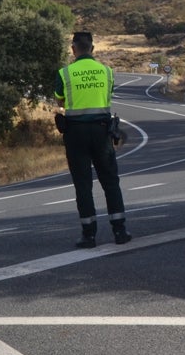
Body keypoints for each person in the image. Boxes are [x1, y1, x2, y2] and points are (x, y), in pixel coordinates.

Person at [54, 31, 131, 248]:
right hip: (102, 132)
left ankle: (89, 235)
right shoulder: (107, 72)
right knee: (110, 181)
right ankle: (120, 231)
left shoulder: (65, 73)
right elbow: (108, 95)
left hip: (75, 134)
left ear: (73, 49)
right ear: (93, 48)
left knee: (83, 184)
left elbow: (60, 100)